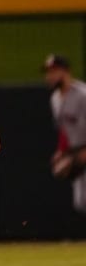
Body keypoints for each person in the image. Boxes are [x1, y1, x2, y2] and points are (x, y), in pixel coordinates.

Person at [43, 54, 86, 215]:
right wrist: (61, 150)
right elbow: (63, 128)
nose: (50, 76)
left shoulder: (83, 94)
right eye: (48, 72)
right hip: (76, 152)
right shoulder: (55, 99)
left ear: (66, 71)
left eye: (54, 72)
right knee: (81, 202)